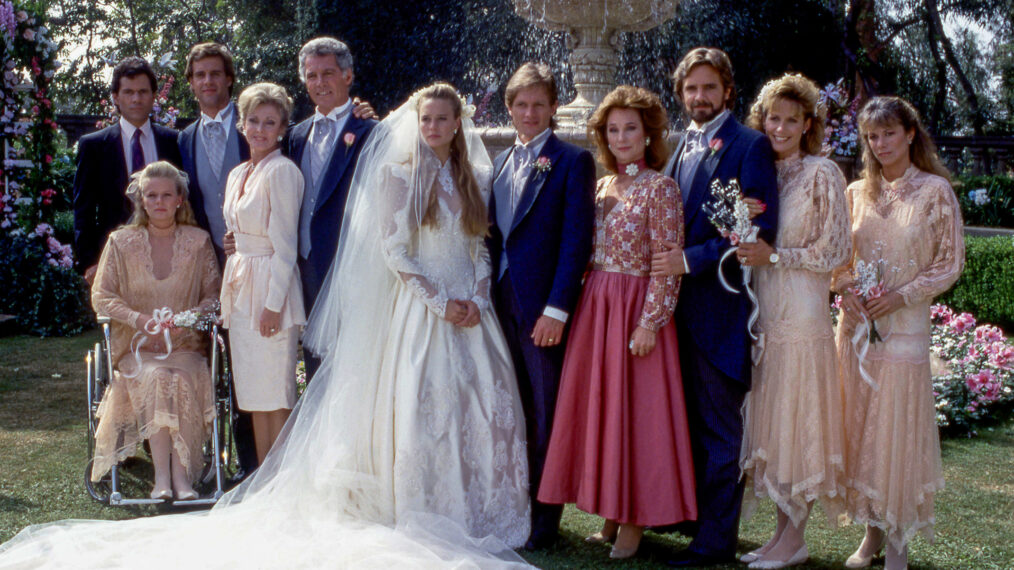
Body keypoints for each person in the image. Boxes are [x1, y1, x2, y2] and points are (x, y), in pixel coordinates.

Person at [0, 84, 530, 570]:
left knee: (462, 407)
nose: (433, 126)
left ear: (459, 123)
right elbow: (391, 249)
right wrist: (439, 301)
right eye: (426, 118)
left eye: (443, 119)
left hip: (459, 309)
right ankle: (282, 481)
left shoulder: (469, 176)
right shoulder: (385, 172)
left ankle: (464, 504)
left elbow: (477, 243)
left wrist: (477, 294)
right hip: (390, 305)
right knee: (309, 399)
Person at [538, 85, 696, 560]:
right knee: (603, 411)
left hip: (635, 310)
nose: (622, 137)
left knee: (636, 416)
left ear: (648, 135)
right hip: (597, 307)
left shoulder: (661, 187)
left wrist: (650, 322)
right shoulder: (603, 186)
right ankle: (609, 515)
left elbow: (667, 263)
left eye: (631, 128)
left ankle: (634, 520)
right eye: (613, 129)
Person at [651, 46, 780, 567]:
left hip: (720, 310)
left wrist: (691, 260)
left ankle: (715, 544)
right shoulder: (680, 146)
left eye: (709, 88)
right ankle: (692, 524)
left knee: (720, 431)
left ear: (728, 90)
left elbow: (756, 231)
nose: (699, 98)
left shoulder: (749, 146)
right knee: (685, 424)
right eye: (691, 89)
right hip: (674, 312)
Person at [832, 96, 964, 570]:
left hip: (904, 328)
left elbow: (950, 263)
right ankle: (870, 538)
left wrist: (900, 296)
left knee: (896, 436)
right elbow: (838, 260)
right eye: (871, 136)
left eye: (888, 133)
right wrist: (845, 289)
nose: (880, 143)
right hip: (856, 330)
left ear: (910, 134)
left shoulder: (934, 192)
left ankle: (899, 545)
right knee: (861, 431)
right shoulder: (854, 194)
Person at [734, 73, 851, 569]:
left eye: (791, 120)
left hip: (802, 311)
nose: (779, 128)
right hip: (766, 306)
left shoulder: (823, 173)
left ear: (808, 124)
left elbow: (836, 250)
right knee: (773, 419)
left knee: (799, 418)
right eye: (772, 118)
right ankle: (783, 536)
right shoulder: (758, 173)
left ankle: (795, 537)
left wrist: (775, 256)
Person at [487, 62, 596, 551]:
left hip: (542, 307)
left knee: (546, 407)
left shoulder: (572, 161)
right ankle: (514, 504)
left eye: (538, 104)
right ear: (509, 109)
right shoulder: (500, 161)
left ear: (554, 107)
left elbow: (576, 240)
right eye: (520, 104)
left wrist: (558, 308)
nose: (529, 113)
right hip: (499, 299)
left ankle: (545, 520)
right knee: (512, 406)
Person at [89, 161, 221, 501]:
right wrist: (138, 319)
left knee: (175, 376)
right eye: (151, 195)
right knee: (160, 377)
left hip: (185, 346)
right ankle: (162, 476)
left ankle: (182, 476)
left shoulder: (198, 241)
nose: (159, 202)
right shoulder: (120, 242)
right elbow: (101, 296)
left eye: (166, 195)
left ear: (179, 199)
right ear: (141, 200)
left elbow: (214, 295)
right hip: (138, 349)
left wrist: (187, 317)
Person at [177, 41, 258, 479]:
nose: (208, 81)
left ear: (229, 78)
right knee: (209, 363)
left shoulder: (256, 128)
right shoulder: (181, 139)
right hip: (205, 271)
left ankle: (251, 460)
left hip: (253, 266)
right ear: (191, 84)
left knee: (248, 363)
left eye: (215, 73)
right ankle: (207, 458)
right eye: (199, 75)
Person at [219, 83, 305, 464]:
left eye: (269, 122)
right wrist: (235, 241)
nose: (260, 129)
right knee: (253, 390)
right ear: (241, 123)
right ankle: (261, 475)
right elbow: (241, 226)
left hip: (271, 287)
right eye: (253, 120)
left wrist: (273, 306)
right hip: (240, 284)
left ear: (283, 128)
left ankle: (280, 475)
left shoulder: (282, 171)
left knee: (276, 388)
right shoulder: (238, 173)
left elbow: (285, 246)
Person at [285, 37, 378, 381]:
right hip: (306, 264)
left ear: (348, 76)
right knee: (315, 363)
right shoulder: (296, 135)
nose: (320, 83)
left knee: (353, 364)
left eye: (328, 73)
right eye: (312, 76)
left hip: (349, 263)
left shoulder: (370, 131)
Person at [73, 56, 183, 284]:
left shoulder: (174, 142)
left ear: (154, 96)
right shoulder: (93, 146)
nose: (136, 99)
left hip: (169, 259)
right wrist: (90, 262)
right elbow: (83, 209)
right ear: (116, 97)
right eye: (129, 92)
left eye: (143, 92)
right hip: (113, 260)